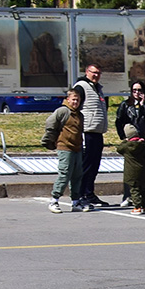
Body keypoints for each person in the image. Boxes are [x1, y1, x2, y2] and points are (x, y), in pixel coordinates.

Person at [115, 79, 145, 208]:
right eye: (134, 90)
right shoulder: (125, 105)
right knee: (131, 170)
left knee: (144, 170)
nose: (137, 93)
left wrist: (143, 106)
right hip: (131, 141)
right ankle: (128, 196)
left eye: (140, 90)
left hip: (144, 140)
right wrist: (123, 137)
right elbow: (118, 121)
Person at [45, 86, 86, 214]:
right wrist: (49, 140)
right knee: (65, 174)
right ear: (68, 99)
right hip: (65, 148)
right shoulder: (62, 111)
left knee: (77, 175)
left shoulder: (79, 115)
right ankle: (54, 200)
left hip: (77, 148)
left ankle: (75, 201)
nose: (75, 102)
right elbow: (50, 124)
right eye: (73, 99)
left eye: (78, 100)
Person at [74, 63, 109, 208]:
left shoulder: (98, 89)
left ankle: (90, 193)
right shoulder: (81, 86)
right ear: (87, 72)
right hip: (86, 131)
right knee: (86, 165)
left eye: (98, 73)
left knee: (95, 165)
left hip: (97, 132)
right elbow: (73, 105)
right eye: (93, 72)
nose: (96, 75)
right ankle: (80, 195)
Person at [116, 127, 145, 214]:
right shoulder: (143, 146)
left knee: (134, 189)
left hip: (131, 172)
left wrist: (125, 140)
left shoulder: (126, 146)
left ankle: (137, 207)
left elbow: (118, 149)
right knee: (144, 189)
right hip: (143, 170)